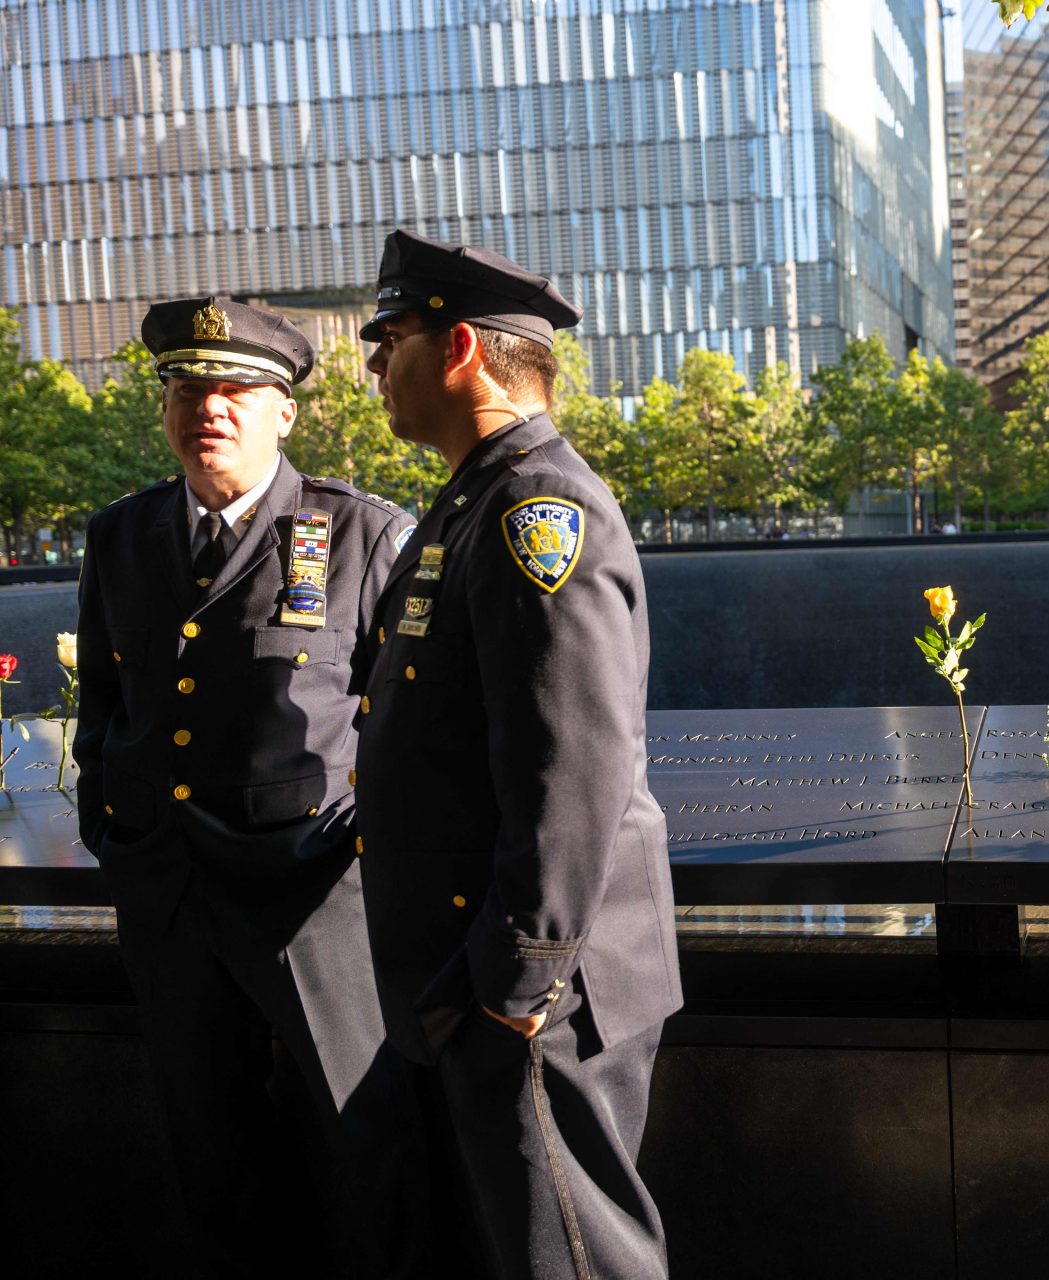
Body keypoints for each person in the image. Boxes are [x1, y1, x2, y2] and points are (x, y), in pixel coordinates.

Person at [354, 229, 683, 1279]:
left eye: (388, 337)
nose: (373, 365)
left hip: (538, 991)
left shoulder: (538, 510)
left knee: (576, 1260)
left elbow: (573, 764)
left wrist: (514, 981)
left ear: (457, 349)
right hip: (489, 978)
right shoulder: (473, 500)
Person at [72, 297, 425, 1277]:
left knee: (364, 1145)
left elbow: (413, 728)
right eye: (188, 387)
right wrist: (114, 822)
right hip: (171, 899)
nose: (208, 408)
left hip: (309, 897)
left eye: (235, 388)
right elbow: (105, 698)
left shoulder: (360, 536)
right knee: (210, 1157)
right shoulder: (124, 536)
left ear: (286, 413)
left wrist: (364, 844)